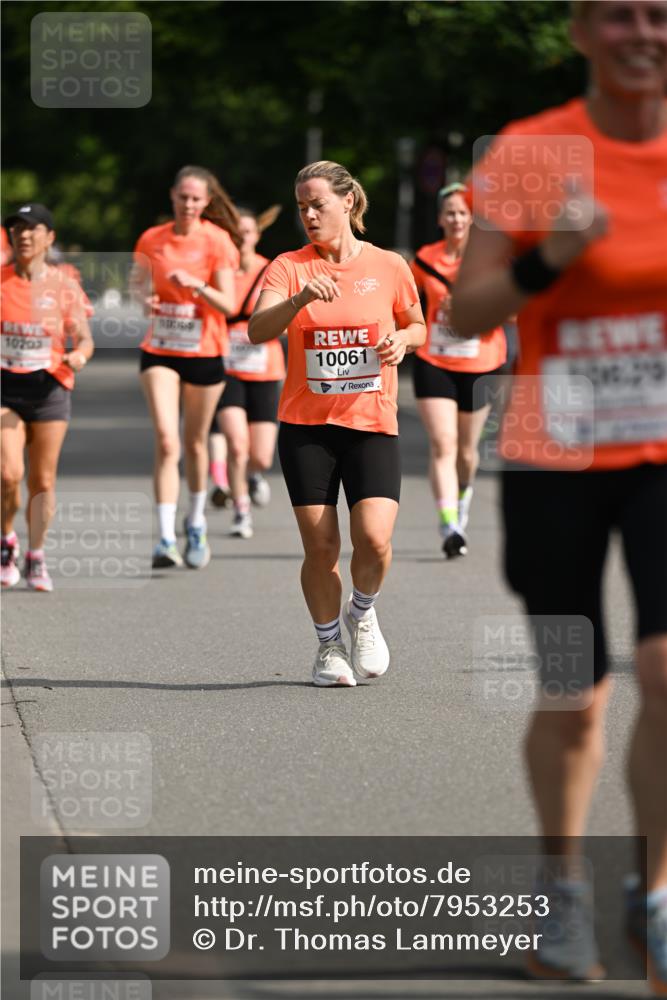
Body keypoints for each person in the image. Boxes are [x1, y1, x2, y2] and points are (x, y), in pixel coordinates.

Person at [451, 0, 667, 989]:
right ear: (581, 33)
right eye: (616, 16)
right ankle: (563, 884)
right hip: (557, 453)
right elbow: (467, 306)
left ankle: (654, 894)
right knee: (575, 695)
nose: (640, 32)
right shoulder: (533, 152)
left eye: (657, 15)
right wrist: (553, 255)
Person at [249, 160, 426, 687]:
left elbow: (416, 324)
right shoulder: (288, 266)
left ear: (347, 202)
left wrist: (403, 341)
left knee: (373, 539)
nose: (307, 214)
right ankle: (328, 648)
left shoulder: (390, 264)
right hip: (307, 428)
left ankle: (362, 611)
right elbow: (258, 329)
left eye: (317, 204)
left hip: (371, 421)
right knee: (321, 548)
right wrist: (300, 298)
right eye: (301, 206)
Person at [132, 165, 240, 569]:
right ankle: (163, 538)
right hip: (160, 347)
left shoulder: (218, 241)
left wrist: (196, 285)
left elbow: (229, 304)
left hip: (205, 351)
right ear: (172, 197)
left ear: (206, 202)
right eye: (183, 198)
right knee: (166, 439)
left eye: (196, 199)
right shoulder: (152, 238)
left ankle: (194, 522)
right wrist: (145, 300)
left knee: (195, 442)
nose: (189, 205)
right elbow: (137, 283)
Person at [1, 203, 94, 592]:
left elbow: (85, 336)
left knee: (42, 480)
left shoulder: (63, 285)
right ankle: (7, 540)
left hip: (50, 388)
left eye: (32, 228)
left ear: (49, 237)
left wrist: (79, 355)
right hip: (6, 386)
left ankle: (35, 554)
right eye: (16, 229)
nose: (23, 235)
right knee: (9, 474)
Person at [411, 182, 506, 558]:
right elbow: (405, 304)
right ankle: (449, 522)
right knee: (443, 444)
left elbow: (514, 308)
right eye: (450, 212)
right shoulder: (424, 259)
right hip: (435, 360)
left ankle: (462, 498)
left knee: (466, 451)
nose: (456, 218)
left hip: (481, 363)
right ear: (440, 218)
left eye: (463, 212)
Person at [213, 205, 285, 539]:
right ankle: (241, 511)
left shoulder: (272, 271)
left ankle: (253, 476)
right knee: (237, 445)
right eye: (236, 232)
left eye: (248, 232)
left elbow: (286, 318)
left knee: (261, 454)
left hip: (265, 370)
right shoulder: (218, 271)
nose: (242, 238)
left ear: (257, 235)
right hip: (226, 370)